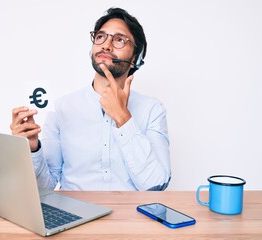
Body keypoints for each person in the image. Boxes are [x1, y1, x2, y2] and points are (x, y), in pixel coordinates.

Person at [10, 7, 171, 191]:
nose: (106, 45)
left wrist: (123, 118)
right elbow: (46, 187)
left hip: (129, 216)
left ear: (134, 58)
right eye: (101, 37)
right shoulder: (62, 108)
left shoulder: (152, 109)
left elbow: (156, 185)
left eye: (119, 40)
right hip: (74, 216)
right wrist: (32, 149)